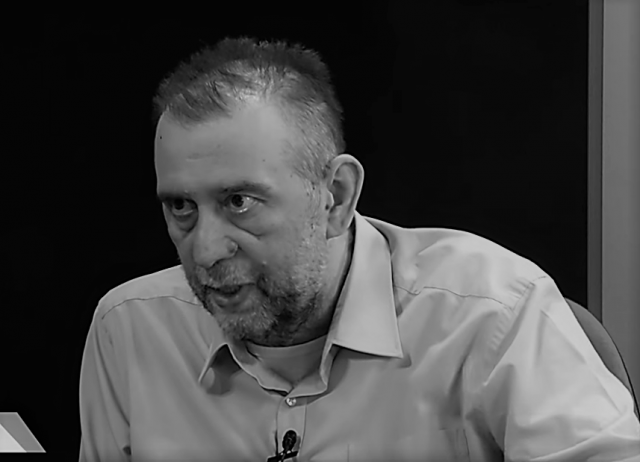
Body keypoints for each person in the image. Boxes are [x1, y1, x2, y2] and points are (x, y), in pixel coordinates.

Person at [78, 36, 640, 461]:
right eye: (181, 207)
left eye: (240, 202)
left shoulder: (493, 313)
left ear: (336, 196)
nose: (204, 251)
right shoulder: (129, 330)